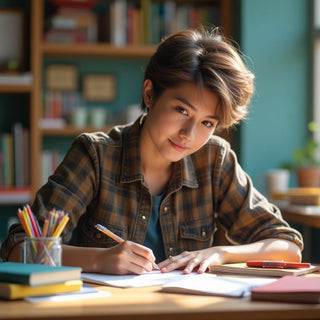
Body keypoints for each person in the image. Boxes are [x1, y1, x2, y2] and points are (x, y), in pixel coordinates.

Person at [1, 28, 303, 275]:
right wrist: (99, 260)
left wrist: (219, 253)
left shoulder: (215, 158)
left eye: (207, 122)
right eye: (182, 110)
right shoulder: (95, 156)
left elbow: (287, 245)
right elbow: (17, 247)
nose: (189, 134)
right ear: (150, 94)